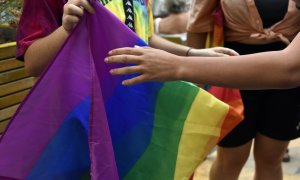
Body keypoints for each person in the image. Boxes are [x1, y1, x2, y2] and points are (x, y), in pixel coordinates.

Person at [16, 0, 237, 77]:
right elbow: (33, 64)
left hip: (133, 110)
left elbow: (144, 38)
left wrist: (195, 54)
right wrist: (66, 30)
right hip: (82, 118)